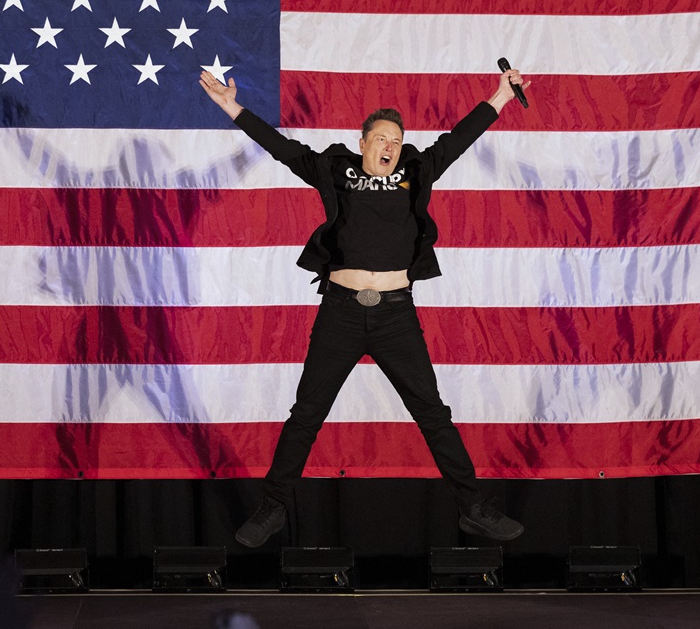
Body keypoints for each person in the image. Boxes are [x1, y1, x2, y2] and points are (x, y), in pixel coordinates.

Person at [199, 67, 531, 548]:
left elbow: (457, 140)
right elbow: (284, 149)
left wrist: (499, 98)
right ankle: (272, 507)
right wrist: (233, 108)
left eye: (397, 140)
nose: (390, 147)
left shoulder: (416, 170)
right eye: (381, 138)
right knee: (307, 414)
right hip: (342, 313)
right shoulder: (335, 169)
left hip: (396, 315)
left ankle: (474, 508)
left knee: (433, 414)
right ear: (363, 141)